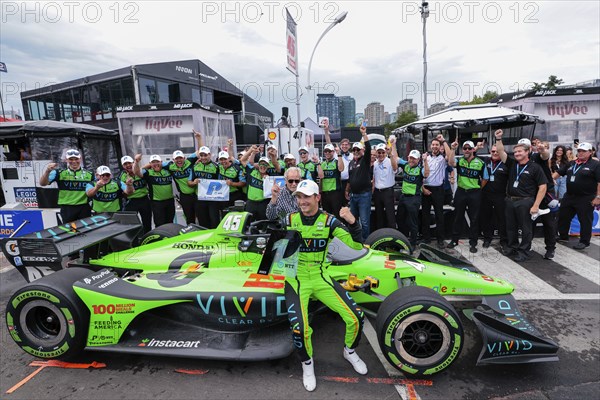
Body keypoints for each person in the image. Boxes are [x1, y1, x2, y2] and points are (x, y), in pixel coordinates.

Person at [284, 179, 367, 392]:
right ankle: (307, 364)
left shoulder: (329, 221)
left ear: (317, 198)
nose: (302, 201)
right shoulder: (289, 219)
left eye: (306, 197)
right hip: (296, 279)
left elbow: (356, 245)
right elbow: (273, 241)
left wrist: (353, 222)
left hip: (321, 277)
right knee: (299, 329)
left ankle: (349, 351)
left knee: (356, 316)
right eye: (299, 197)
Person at [495, 130, 547, 262]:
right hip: (510, 200)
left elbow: (543, 187)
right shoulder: (512, 164)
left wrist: (536, 205)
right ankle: (512, 247)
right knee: (510, 227)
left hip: (526, 201)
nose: (517, 154)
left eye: (520, 151)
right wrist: (499, 138)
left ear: (527, 152)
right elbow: (501, 152)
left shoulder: (535, 167)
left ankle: (524, 251)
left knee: (526, 228)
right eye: (515, 152)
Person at [553, 142, 600, 250]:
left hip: (586, 197)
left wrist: (598, 197)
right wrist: (551, 179)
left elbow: (599, 182)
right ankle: (563, 236)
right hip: (569, 196)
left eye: (584, 151)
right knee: (563, 216)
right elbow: (559, 172)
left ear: (590, 152)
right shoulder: (571, 163)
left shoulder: (595, 164)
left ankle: (584, 241)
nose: (581, 153)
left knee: (585, 220)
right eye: (579, 151)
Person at [446, 140, 489, 253]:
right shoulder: (460, 161)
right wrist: (452, 149)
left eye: (469, 148)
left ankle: (473, 243)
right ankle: (454, 240)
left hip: (474, 193)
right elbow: (450, 162)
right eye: (464, 148)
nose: (466, 150)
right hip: (461, 192)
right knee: (457, 217)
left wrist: (478, 188)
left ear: (473, 150)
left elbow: (485, 178)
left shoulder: (480, 162)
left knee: (474, 219)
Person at [39, 148, 94, 224]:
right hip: (67, 207)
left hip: (84, 207)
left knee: (86, 230)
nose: (74, 161)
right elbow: (42, 183)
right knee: (70, 231)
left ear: (80, 159)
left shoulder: (90, 174)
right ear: (66, 160)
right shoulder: (58, 172)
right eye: (71, 159)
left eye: (76, 159)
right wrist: (47, 171)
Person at [525, 138, 558, 260]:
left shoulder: (538, 156)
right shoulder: (521, 160)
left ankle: (550, 249)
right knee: (529, 224)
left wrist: (543, 149)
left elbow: (545, 156)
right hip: (531, 196)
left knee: (549, 223)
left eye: (532, 145)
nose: (532, 147)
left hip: (546, 196)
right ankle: (526, 246)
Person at [421, 135, 455, 247]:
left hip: (438, 190)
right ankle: (426, 238)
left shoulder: (443, 158)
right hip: (426, 188)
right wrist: (423, 188)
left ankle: (440, 239)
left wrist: (444, 141)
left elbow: (451, 157)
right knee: (425, 215)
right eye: (433, 145)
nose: (435, 147)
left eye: (437, 145)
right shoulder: (426, 157)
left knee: (439, 215)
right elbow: (421, 175)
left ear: (440, 146)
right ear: (430, 146)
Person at [396, 150, 430, 247]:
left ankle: (412, 244)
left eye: (414, 158)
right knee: (399, 218)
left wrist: (425, 161)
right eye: (410, 158)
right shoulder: (405, 164)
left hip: (414, 198)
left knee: (412, 222)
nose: (411, 160)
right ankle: (403, 239)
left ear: (418, 159)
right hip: (403, 197)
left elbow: (426, 174)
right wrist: (393, 145)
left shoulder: (420, 169)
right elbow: (396, 159)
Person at [480, 144, 509, 250]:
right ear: (490, 152)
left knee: (502, 219)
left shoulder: (506, 163)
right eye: (493, 151)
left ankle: (504, 240)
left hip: (500, 195)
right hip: (486, 195)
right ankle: (487, 238)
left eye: (497, 151)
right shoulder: (485, 161)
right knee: (486, 217)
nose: (495, 153)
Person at [346, 125, 372, 240]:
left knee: (365, 222)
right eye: (354, 150)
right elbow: (350, 179)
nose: (356, 151)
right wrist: (347, 190)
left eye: (358, 149)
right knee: (353, 220)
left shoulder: (365, 160)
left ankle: (365, 242)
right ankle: (355, 241)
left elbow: (369, 148)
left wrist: (364, 134)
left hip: (364, 196)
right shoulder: (351, 163)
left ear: (362, 151)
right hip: (353, 196)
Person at [134, 154, 175, 227]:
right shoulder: (148, 172)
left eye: (157, 162)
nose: (155, 164)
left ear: (161, 162)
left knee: (170, 222)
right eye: (153, 162)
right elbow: (137, 172)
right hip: (157, 202)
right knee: (159, 224)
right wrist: (136, 161)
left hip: (170, 201)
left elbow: (175, 164)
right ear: (150, 164)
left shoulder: (168, 170)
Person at [118, 155, 152, 233]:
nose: (128, 165)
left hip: (144, 199)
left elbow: (149, 165)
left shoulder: (140, 171)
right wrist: (129, 185)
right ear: (123, 166)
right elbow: (127, 192)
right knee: (131, 225)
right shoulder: (121, 177)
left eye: (129, 163)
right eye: (125, 164)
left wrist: (137, 161)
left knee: (147, 223)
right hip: (131, 201)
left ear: (133, 163)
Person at [188, 146, 220, 228]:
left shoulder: (216, 167)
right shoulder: (195, 166)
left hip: (212, 199)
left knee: (214, 220)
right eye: (201, 155)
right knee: (202, 221)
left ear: (209, 155)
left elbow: (221, 182)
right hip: (199, 198)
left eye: (205, 155)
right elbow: (189, 182)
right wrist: (194, 183)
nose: (203, 157)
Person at [372, 140, 398, 230]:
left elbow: (395, 169)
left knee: (390, 215)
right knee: (379, 216)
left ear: (385, 153)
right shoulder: (375, 163)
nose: (381, 154)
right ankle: (381, 235)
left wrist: (390, 154)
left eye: (383, 152)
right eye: (379, 152)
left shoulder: (390, 161)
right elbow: (374, 178)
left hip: (388, 192)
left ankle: (393, 235)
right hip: (377, 192)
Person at [240, 146, 271, 220]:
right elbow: (243, 160)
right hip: (251, 203)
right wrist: (251, 151)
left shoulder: (270, 177)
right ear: (258, 165)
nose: (263, 166)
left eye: (265, 164)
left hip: (263, 204)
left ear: (268, 166)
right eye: (261, 164)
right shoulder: (252, 171)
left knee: (262, 224)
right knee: (248, 224)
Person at [218, 139, 246, 208]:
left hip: (235, 194)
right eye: (221, 159)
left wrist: (232, 184)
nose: (223, 161)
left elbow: (243, 183)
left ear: (228, 159)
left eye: (225, 159)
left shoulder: (237, 167)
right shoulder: (218, 166)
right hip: (222, 194)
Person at [338, 138, 353, 205]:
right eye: (343, 144)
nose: (344, 146)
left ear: (349, 146)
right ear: (340, 146)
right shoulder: (336, 155)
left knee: (347, 200)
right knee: (339, 201)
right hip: (339, 181)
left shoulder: (352, 156)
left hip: (349, 182)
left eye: (346, 145)